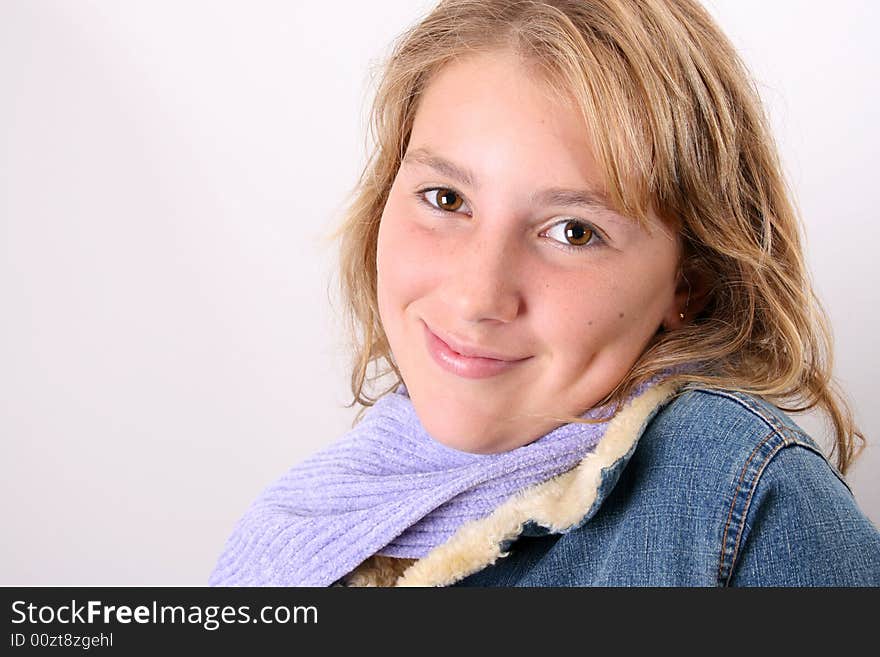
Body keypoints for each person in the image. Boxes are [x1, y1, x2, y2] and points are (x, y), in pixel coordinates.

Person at [208, 0, 880, 587]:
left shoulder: (742, 498)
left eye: (573, 231)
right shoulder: (311, 521)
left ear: (690, 281)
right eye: (446, 198)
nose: (478, 295)